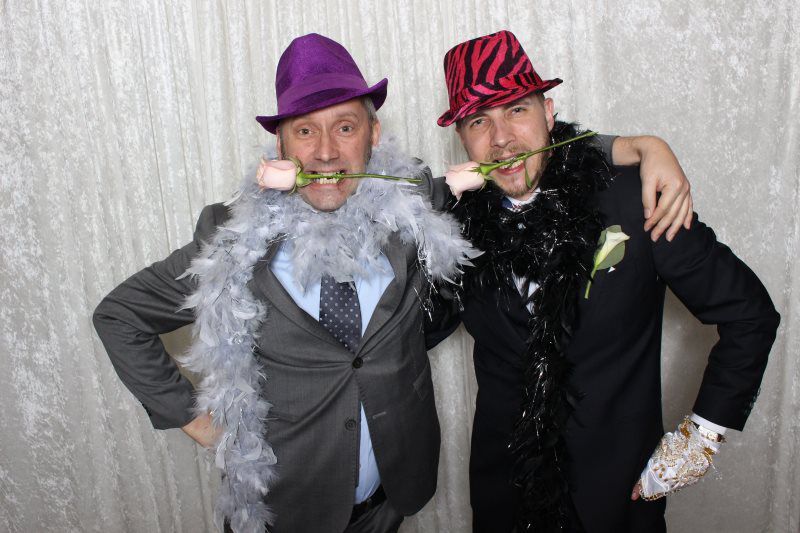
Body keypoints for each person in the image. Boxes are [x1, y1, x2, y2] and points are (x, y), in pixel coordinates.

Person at [93, 33, 691, 533]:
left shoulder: (414, 211)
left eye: (345, 128)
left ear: (374, 137)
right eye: (305, 131)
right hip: (281, 507)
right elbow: (119, 316)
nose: (326, 152)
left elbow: (517, 156)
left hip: (392, 501)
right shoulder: (228, 239)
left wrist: (642, 146)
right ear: (280, 145)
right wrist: (194, 419)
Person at [434, 30, 780, 533]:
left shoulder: (634, 201)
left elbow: (750, 314)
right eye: (478, 121)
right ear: (462, 138)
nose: (501, 137)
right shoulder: (452, 223)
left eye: (517, 110)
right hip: (503, 497)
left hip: (616, 496)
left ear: (549, 114)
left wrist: (700, 438)